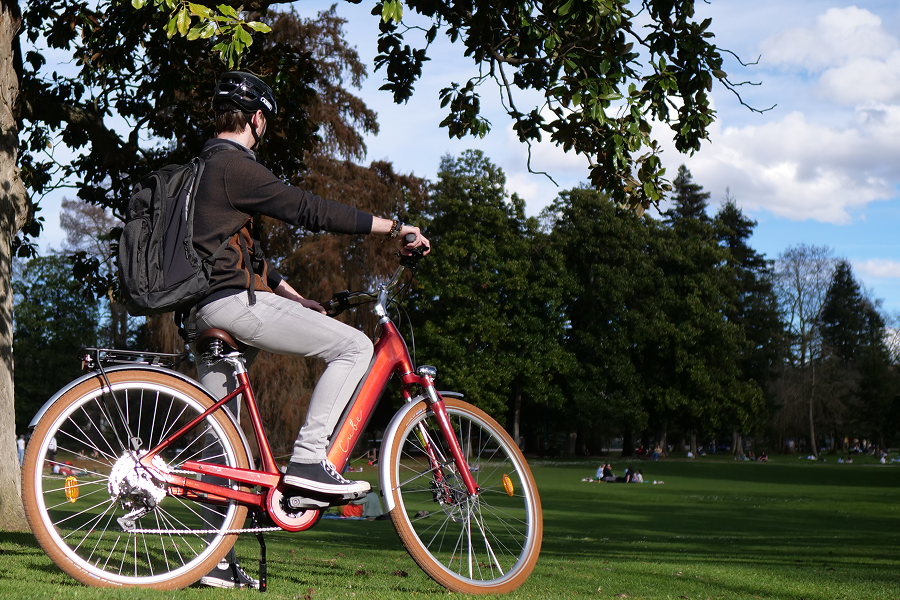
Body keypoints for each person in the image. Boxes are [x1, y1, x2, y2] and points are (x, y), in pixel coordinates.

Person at [192, 71, 430, 589]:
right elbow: (307, 208)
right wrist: (395, 226)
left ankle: (214, 563)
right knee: (354, 345)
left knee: (222, 443)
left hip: (202, 309)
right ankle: (307, 462)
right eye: (265, 121)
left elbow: (234, 252)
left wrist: (292, 296)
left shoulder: (201, 171)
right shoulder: (235, 165)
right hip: (233, 305)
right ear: (255, 118)